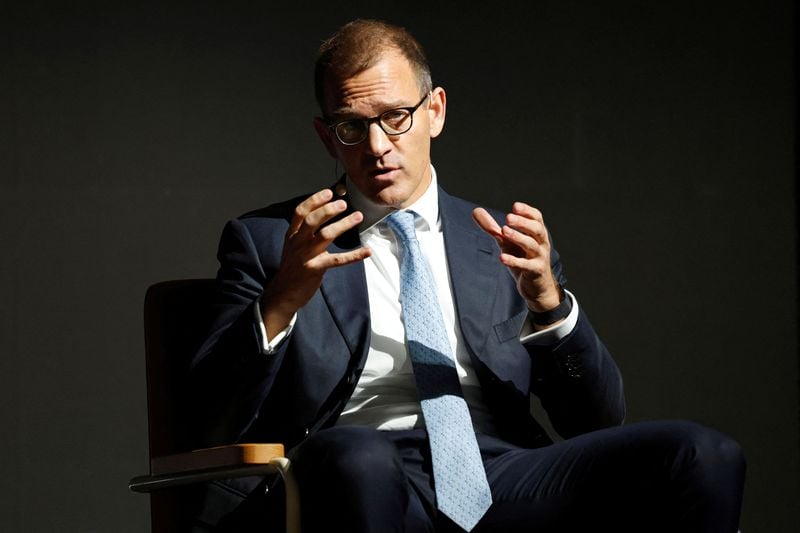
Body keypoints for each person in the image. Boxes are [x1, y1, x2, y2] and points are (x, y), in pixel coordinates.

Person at [189, 19, 745, 533]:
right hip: (354, 471)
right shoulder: (273, 242)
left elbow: (595, 420)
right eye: (352, 126)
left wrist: (549, 305)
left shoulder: (501, 241)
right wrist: (283, 298)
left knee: (703, 455)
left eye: (395, 117)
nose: (377, 147)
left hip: (498, 470)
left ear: (435, 111)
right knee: (360, 456)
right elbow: (209, 419)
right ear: (326, 136)